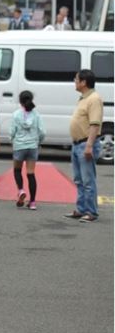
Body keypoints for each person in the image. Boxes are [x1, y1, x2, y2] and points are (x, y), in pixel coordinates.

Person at [65, 69, 103, 223]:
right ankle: (81, 209)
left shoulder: (94, 99)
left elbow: (95, 124)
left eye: (76, 79)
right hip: (77, 144)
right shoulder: (83, 98)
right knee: (79, 180)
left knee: (88, 181)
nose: (74, 82)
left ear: (83, 82)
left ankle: (91, 212)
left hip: (85, 144)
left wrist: (89, 146)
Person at [10, 90, 45, 210]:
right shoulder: (36, 115)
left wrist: (13, 140)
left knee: (17, 170)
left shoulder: (16, 114)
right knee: (31, 174)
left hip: (19, 146)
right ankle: (33, 202)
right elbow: (42, 132)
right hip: (32, 146)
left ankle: (20, 190)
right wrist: (38, 142)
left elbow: (12, 132)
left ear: (20, 101)